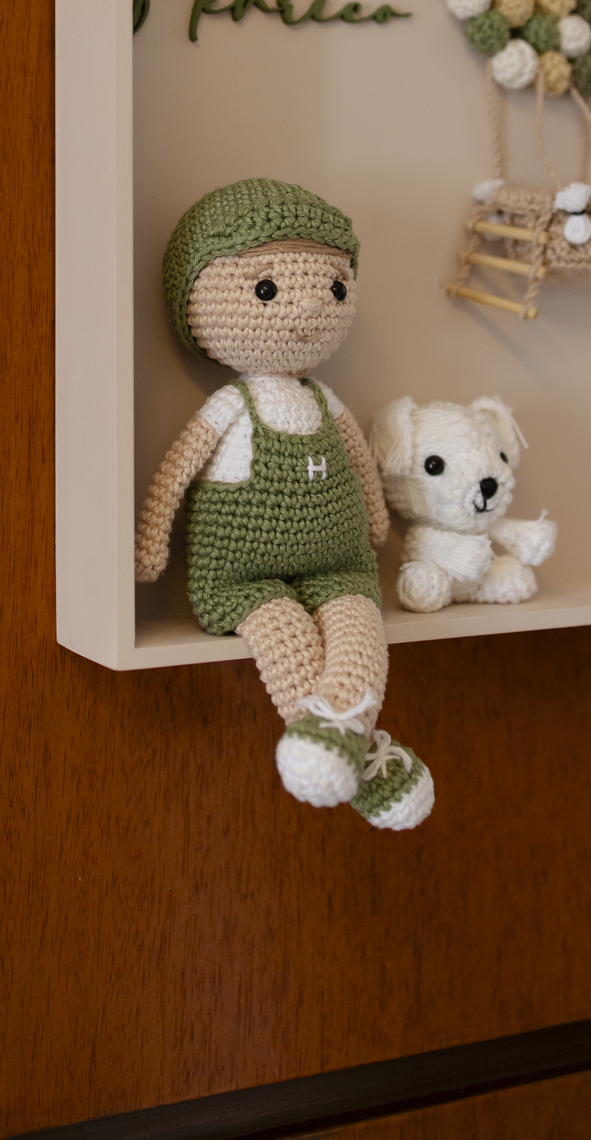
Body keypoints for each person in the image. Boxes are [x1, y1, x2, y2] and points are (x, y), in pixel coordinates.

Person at [135, 178, 433, 829]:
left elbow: (360, 466)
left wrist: (376, 522)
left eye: (334, 289)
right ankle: (364, 762)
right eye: (267, 289)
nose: (310, 311)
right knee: (284, 635)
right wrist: (151, 543)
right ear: (193, 304)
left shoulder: (327, 403)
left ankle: (339, 747)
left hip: (340, 565)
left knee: (361, 630)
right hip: (241, 580)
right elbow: (176, 472)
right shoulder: (229, 407)